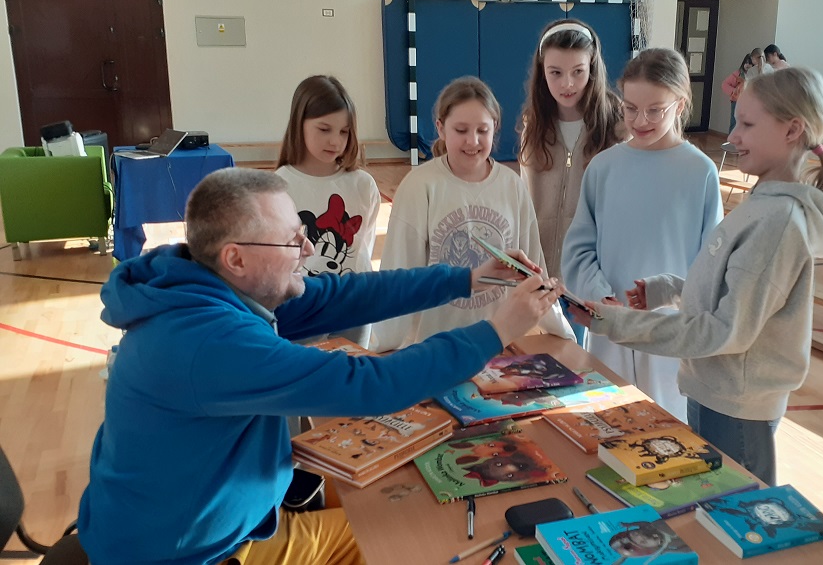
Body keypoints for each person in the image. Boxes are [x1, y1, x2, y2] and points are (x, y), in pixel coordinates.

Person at [76, 167, 562, 565]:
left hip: (174, 527)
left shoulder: (204, 285)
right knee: (405, 536)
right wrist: (497, 330)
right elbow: (372, 385)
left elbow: (346, 294)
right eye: (292, 241)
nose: (308, 249)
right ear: (236, 258)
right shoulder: (209, 343)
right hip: (192, 555)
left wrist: (466, 278)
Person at [570, 67, 823, 485]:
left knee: (732, 506)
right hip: (714, 393)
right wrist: (670, 288)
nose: (733, 136)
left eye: (747, 124)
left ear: (792, 130)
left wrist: (617, 322)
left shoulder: (778, 222)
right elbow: (731, 295)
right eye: (736, 122)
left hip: (735, 408)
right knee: (704, 499)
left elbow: (726, 331)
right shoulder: (764, 205)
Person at [561, 48, 723, 423]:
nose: (640, 120)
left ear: (680, 105)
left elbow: (711, 265)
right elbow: (579, 249)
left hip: (669, 335)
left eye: (655, 110)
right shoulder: (603, 167)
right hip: (609, 328)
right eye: (630, 108)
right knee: (606, 425)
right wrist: (599, 295)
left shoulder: (700, 172)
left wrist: (678, 302)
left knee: (666, 433)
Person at [374, 76, 574, 352]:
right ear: (441, 128)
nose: (473, 141)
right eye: (461, 130)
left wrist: (562, 332)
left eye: (482, 130)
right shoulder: (420, 185)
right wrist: (384, 348)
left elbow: (533, 268)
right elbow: (399, 271)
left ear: (495, 128)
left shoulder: (512, 185)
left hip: (497, 342)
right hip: (433, 346)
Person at [519, 19, 623, 345]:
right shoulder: (534, 124)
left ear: (592, 68)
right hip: (541, 271)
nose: (567, 83)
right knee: (546, 352)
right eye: (556, 72)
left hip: (592, 273)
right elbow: (526, 200)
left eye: (578, 71)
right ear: (542, 71)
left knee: (583, 355)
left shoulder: (616, 123)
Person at [275, 75, 381, 347]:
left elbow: (363, 248)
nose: (335, 141)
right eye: (324, 129)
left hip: (354, 304)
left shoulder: (363, 184)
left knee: (353, 367)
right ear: (299, 123)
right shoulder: (280, 185)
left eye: (344, 131)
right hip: (302, 308)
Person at [721, 53, 754, 133]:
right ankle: (731, 139)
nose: (747, 65)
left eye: (750, 63)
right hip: (737, 101)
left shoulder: (754, 75)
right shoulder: (738, 74)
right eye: (746, 62)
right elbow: (725, 84)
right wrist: (734, 91)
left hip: (749, 102)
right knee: (734, 122)